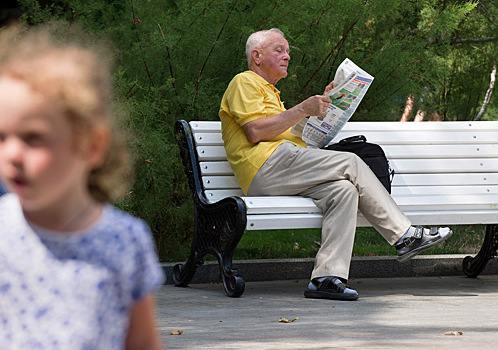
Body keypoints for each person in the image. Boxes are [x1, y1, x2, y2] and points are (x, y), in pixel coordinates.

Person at [219, 28, 453, 301]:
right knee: (350, 163)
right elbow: (256, 132)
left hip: (283, 166)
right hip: (265, 167)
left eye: (288, 51)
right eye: (279, 50)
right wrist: (302, 109)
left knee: (343, 191)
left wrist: (326, 107)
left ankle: (327, 278)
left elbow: (286, 131)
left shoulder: (270, 92)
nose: (287, 56)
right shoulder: (244, 81)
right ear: (256, 56)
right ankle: (405, 235)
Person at [0, 25, 165, 349]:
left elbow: (143, 343)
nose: (12, 154)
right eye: (1, 137)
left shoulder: (125, 241)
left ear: (91, 144)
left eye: (33, 137)